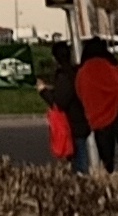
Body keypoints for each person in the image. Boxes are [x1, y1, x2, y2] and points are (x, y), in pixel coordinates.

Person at [74, 37, 118, 184]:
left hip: (100, 123)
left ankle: (111, 193)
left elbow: (80, 94)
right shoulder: (113, 65)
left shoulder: (83, 72)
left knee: (107, 165)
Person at [37, 40, 87, 169]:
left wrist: (43, 91)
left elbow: (59, 102)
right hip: (81, 121)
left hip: (72, 124)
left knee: (79, 163)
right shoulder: (76, 72)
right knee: (79, 158)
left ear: (55, 58)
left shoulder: (64, 76)